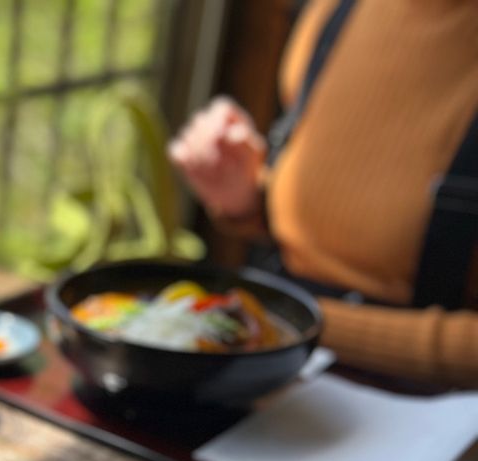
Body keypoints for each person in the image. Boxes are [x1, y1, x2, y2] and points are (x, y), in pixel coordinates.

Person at [169, 0, 478, 386]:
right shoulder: (335, 11)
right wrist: (251, 198)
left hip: (425, 412)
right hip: (281, 363)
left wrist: (294, 321)